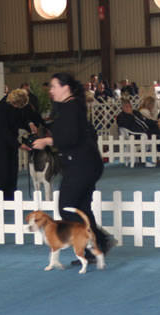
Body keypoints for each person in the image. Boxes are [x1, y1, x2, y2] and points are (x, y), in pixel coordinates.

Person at [30, 72, 115, 262]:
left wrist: (46, 141)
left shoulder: (70, 108)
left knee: (66, 208)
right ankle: (94, 250)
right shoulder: (73, 107)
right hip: (88, 165)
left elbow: (70, 138)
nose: (51, 90)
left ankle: (101, 240)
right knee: (82, 209)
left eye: (54, 86)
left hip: (81, 166)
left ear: (65, 88)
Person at [0, 88, 34, 200]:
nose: (18, 108)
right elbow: (3, 130)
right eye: (17, 106)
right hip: (0, 140)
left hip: (12, 137)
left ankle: (11, 194)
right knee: (2, 169)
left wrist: (30, 124)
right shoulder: (2, 106)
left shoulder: (18, 105)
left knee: (13, 168)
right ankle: (1, 197)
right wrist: (19, 145)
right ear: (14, 102)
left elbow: (23, 117)